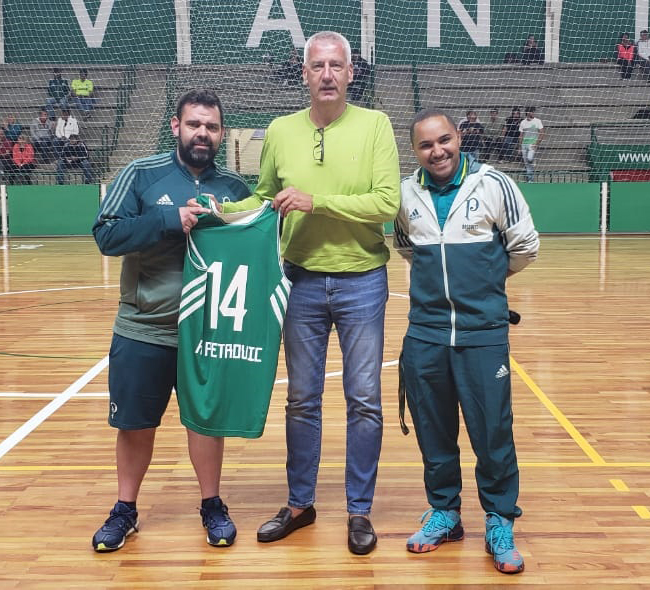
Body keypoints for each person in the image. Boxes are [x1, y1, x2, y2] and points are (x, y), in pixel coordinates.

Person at [214, 30, 399, 556]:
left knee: (364, 401)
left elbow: (386, 203)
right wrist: (219, 213)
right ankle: (300, 503)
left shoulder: (376, 125)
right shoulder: (279, 129)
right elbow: (266, 197)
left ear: (350, 72)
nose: (327, 74)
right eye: (317, 66)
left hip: (363, 278)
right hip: (297, 280)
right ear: (303, 73)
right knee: (301, 399)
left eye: (336, 65)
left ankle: (359, 512)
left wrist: (316, 201)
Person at [90, 88, 250, 553]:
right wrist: (168, 218)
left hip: (208, 330)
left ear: (221, 134)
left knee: (206, 422)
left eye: (212, 126)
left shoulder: (234, 190)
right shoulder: (140, 174)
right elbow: (106, 233)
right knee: (136, 424)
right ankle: (125, 509)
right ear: (176, 126)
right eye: (195, 124)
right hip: (144, 326)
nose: (203, 133)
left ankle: (212, 504)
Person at [394, 108, 538, 575]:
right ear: (415, 150)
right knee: (434, 432)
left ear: (459, 138)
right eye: (426, 145)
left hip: (483, 334)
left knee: (492, 433)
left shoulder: (494, 184)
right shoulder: (405, 193)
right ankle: (445, 514)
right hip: (426, 333)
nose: (437, 151)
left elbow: (526, 245)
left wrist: (483, 283)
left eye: (444, 140)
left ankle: (499, 519)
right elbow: (404, 247)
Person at [518, 107, 544, 182]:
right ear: (527, 113)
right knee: (526, 164)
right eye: (531, 112)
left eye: (533, 112)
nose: (532, 113)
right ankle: (530, 179)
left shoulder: (538, 121)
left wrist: (536, 144)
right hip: (524, 144)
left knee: (529, 159)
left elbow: (542, 133)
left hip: (532, 144)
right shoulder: (523, 122)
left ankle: (533, 160)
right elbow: (521, 135)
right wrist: (519, 147)